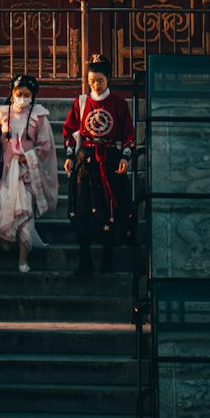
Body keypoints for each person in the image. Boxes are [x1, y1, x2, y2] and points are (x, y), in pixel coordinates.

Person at [0, 73, 58, 274]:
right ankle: (4, 242)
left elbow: (45, 146)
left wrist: (28, 156)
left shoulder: (39, 118)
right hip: (4, 171)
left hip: (27, 171)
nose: (22, 98)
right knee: (4, 206)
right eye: (19, 93)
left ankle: (23, 259)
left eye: (27, 94)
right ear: (12, 93)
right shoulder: (1, 114)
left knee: (26, 210)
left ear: (33, 96)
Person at [62, 54, 135, 276]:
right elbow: (70, 132)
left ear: (109, 79)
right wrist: (69, 155)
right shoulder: (81, 103)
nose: (95, 84)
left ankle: (108, 260)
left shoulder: (119, 104)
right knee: (83, 210)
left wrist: (125, 157)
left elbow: (129, 135)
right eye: (91, 80)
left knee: (110, 210)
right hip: (86, 163)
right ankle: (85, 261)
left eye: (100, 80)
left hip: (110, 161)